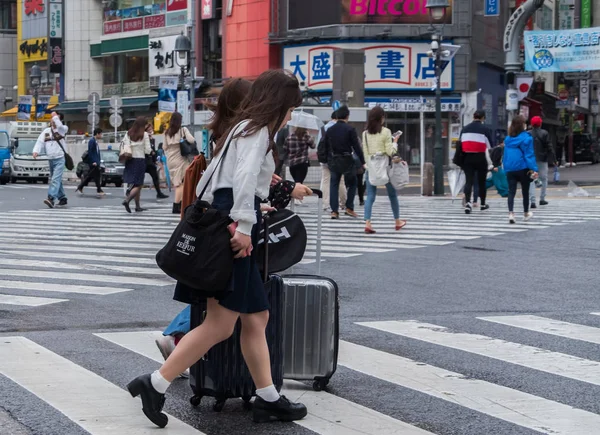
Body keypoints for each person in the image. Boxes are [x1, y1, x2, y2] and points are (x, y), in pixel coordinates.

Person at [127, 69, 308, 428]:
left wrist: (246, 212)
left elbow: (218, 181)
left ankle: (268, 397)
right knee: (221, 325)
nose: (290, 116)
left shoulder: (242, 128)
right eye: (290, 108)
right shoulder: (256, 130)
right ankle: (155, 383)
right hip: (234, 225)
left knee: (257, 317)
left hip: (229, 215)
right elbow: (242, 179)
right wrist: (243, 224)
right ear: (280, 103)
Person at [362, 106, 407, 233]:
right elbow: (390, 151)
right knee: (392, 195)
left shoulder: (365, 133)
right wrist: (395, 141)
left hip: (371, 167)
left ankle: (367, 223)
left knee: (370, 196)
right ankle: (397, 221)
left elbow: (365, 152)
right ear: (381, 118)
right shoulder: (386, 132)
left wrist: (368, 166)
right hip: (385, 168)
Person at [322, 105, 364, 219]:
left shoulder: (330, 130)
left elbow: (324, 146)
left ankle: (334, 211)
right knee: (353, 182)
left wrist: (326, 159)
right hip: (347, 159)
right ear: (347, 116)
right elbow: (356, 146)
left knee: (334, 184)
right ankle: (349, 208)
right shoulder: (350, 129)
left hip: (334, 160)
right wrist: (362, 160)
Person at [503, 115, 538, 224]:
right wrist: (534, 169)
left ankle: (511, 214)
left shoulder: (508, 139)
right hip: (522, 167)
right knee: (525, 191)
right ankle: (526, 213)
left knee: (511, 191)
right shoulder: (526, 138)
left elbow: (505, 155)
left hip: (510, 168)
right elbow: (529, 154)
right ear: (522, 125)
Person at [459, 110, 493, 214]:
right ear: (483, 117)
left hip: (467, 158)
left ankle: (468, 204)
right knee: (481, 182)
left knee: (469, 181)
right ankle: (482, 204)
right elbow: (490, 145)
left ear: (473, 117)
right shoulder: (485, 129)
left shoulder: (464, 129)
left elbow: (460, 144)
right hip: (480, 157)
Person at [33, 112, 69, 209]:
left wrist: (55, 117)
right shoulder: (46, 131)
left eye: (55, 119)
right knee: (56, 179)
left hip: (60, 158)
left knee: (55, 179)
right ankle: (62, 197)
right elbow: (40, 142)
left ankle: (51, 198)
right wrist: (36, 151)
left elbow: (60, 126)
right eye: (52, 118)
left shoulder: (62, 129)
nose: (52, 120)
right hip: (51, 158)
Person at [163, 112, 196, 214]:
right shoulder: (183, 130)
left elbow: (164, 147)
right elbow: (192, 140)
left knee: (179, 182)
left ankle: (181, 203)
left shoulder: (166, 132)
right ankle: (176, 206)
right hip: (180, 158)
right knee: (180, 184)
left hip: (170, 159)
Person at [122, 117, 152, 213]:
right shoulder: (145, 134)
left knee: (134, 183)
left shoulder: (128, 133)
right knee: (139, 184)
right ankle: (127, 200)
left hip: (129, 159)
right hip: (139, 160)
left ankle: (137, 206)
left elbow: (124, 145)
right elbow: (148, 150)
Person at [319, 111, 347, 212]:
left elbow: (320, 144)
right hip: (338, 159)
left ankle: (325, 204)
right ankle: (343, 203)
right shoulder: (342, 129)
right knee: (340, 181)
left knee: (325, 180)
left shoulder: (323, 128)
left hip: (325, 159)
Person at [528, 116, 556, 208]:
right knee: (544, 178)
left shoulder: (527, 134)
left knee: (531, 179)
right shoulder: (545, 133)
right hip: (542, 159)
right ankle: (542, 199)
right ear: (540, 123)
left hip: (531, 160)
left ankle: (532, 201)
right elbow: (549, 147)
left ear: (531, 124)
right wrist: (553, 159)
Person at [284, 127, 315, 204]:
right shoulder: (306, 137)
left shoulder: (289, 137)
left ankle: (295, 198)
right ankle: (297, 198)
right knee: (299, 181)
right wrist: (308, 136)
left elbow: (285, 148)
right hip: (302, 162)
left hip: (292, 163)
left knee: (296, 181)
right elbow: (313, 146)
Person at [76, 128, 105, 196]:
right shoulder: (92, 141)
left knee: (90, 176)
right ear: (97, 134)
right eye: (100, 134)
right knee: (96, 176)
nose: (101, 135)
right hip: (94, 162)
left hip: (96, 162)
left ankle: (81, 187)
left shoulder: (95, 141)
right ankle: (99, 190)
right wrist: (93, 161)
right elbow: (91, 152)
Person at [145, 123, 169, 200]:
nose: (150, 131)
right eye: (149, 130)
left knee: (155, 177)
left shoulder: (152, 139)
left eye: (151, 129)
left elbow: (154, 150)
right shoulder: (143, 138)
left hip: (150, 161)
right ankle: (130, 190)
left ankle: (159, 193)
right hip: (143, 160)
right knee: (138, 177)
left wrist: (155, 160)